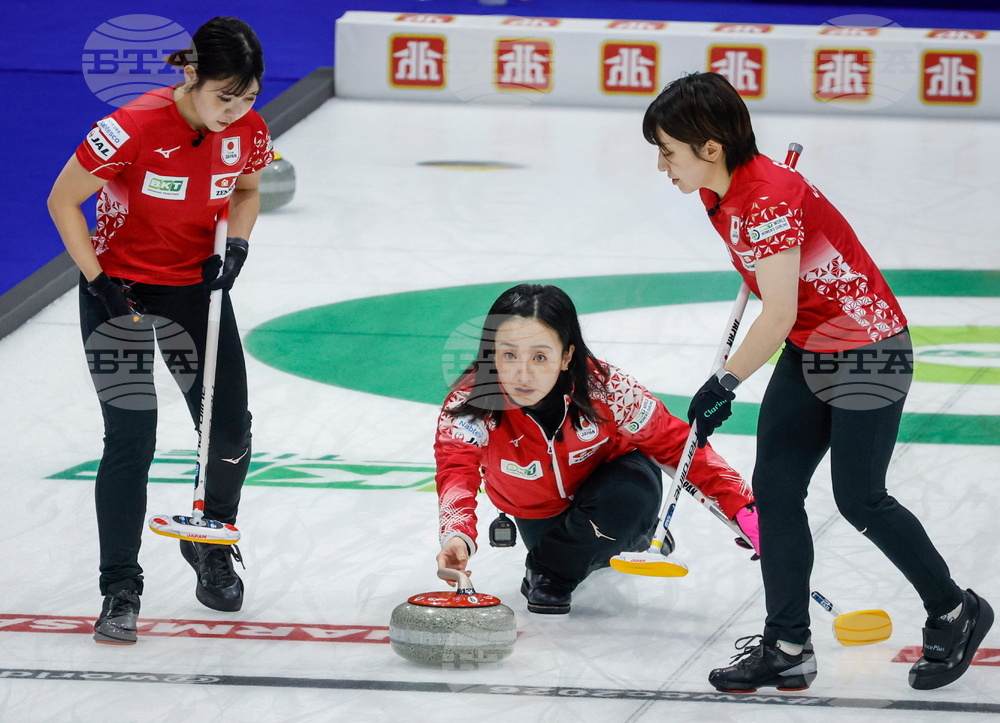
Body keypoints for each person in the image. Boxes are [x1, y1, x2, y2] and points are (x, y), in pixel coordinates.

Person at [643, 71, 992, 692]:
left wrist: (724, 382)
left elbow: (776, 312)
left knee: (859, 497)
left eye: (668, 152)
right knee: (776, 490)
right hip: (811, 345)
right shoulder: (721, 193)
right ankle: (787, 645)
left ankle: (954, 609)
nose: (662, 166)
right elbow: (782, 297)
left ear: (710, 148)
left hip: (868, 345)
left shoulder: (769, 199)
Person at [47, 17, 273, 645]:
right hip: (117, 290)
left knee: (228, 429)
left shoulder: (248, 130)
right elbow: (63, 200)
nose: (235, 112)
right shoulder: (133, 127)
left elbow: (248, 191)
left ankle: (210, 542)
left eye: (248, 97)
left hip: (195, 291)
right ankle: (120, 588)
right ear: (191, 75)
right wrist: (98, 282)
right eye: (224, 97)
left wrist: (238, 246)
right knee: (132, 436)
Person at [434, 283, 759, 614]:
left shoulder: (607, 388)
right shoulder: (471, 402)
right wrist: (456, 536)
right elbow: (456, 472)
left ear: (566, 356)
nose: (523, 373)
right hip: (537, 507)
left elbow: (676, 443)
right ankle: (628, 538)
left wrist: (743, 506)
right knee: (586, 544)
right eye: (508, 355)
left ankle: (555, 570)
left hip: (616, 478)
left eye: (540, 356)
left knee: (621, 509)